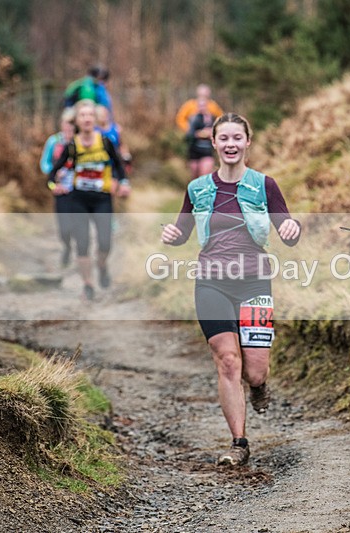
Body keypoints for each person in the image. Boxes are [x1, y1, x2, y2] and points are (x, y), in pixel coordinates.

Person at [161, 113, 301, 466]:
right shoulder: (197, 188)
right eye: (224, 138)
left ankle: (257, 387)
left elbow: (287, 224)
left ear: (247, 142)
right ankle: (239, 441)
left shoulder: (264, 185)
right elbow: (182, 231)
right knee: (227, 360)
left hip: (254, 282)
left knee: (254, 370)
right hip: (211, 282)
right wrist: (173, 237)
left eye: (237, 138)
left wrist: (291, 230)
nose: (231, 144)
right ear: (214, 143)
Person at [48, 99, 131, 300]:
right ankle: (88, 285)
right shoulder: (72, 146)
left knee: (105, 243)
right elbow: (52, 174)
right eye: (82, 115)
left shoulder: (104, 142)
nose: (86, 119)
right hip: (79, 200)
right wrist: (55, 186)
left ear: (96, 119)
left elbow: (119, 166)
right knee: (82, 243)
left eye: (90, 115)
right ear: (76, 120)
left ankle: (102, 266)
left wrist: (124, 182)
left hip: (102, 198)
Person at [40, 107, 77, 267]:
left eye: (72, 125)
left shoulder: (81, 142)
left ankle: (82, 254)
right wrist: (54, 176)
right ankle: (67, 246)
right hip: (59, 189)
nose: (69, 128)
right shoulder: (53, 142)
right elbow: (44, 163)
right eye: (66, 124)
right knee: (64, 226)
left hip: (77, 190)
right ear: (61, 124)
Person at [184, 96, 216, 180]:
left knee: (204, 176)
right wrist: (198, 134)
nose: (202, 108)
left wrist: (211, 133)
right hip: (194, 150)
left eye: (204, 105)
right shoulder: (193, 119)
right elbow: (188, 136)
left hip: (207, 150)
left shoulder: (213, 118)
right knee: (195, 177)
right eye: (200, 105)